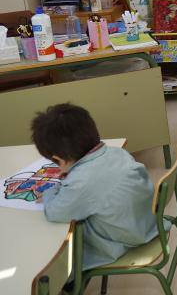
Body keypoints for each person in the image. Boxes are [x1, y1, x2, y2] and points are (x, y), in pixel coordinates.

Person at [31, 103, 159, 269]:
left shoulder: (81, 182)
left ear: (59, 160)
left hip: (122, 241)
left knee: (54, 250)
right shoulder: (116, 153)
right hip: (148, 223)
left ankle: (69, 288)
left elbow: (55, 212)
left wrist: (50, 193)